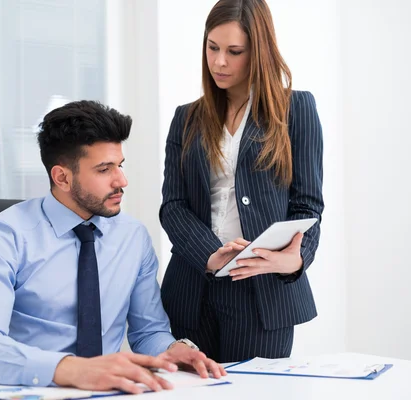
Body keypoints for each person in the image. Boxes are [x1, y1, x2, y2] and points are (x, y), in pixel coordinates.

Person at [0, 100, 225, 394]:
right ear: (62, 177)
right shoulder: (3, 237)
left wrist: (171, 350)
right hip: (31, 390)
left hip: (110, 390)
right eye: (104, 169)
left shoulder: (133, 237)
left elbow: (148, 331)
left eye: (119, 166)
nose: (122, 180)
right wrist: (72, 369)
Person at [160, 0, 324, 363]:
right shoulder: (185, 118)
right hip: (192, 289)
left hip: (263, 294)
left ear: (259, 52)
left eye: (234, 52)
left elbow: (308, 204)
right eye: (212, 47)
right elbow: (173, 206)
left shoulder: (296, 110)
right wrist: (209, 255)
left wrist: (295, 261)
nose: (219, 62)